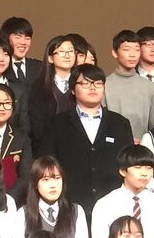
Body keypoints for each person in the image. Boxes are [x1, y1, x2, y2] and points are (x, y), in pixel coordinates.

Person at [39, 65, 135, 211]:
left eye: (98, 83)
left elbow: (129, 165)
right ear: (73, 89)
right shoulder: (56, 124)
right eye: (85, 83)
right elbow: (47, 164)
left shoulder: (120, 124)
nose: (93, 87)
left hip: (113, 205)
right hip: (70, 205)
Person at [12, 156, 91, 238]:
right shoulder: (23, 214)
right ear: (36, 184)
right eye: (46, 179)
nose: (53, 185)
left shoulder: (76, 212)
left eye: (57, 178)